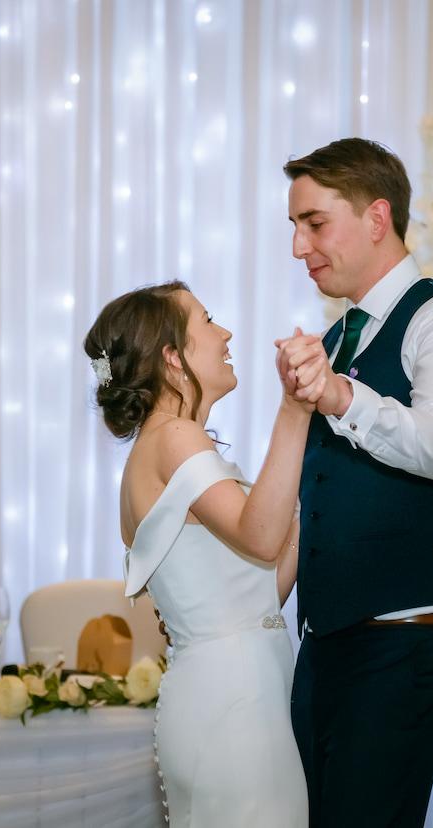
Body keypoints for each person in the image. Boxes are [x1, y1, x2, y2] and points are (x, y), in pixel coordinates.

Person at [276, 138, 433, 827]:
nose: (297, 246)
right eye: (294, 226)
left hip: (403, 647)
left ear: (377, 218)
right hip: (327, 647)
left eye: (313, 223)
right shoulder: (342, 336)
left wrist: (342, 398)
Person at [84, 281, 314, 827]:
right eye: (208, 322)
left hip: (227, 687)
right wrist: (295, 409)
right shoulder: (176, 439)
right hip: (235, 702)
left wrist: (312, 498)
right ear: (171, 357)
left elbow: (261, 592)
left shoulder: (156, 447)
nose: (226, 333)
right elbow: (259, 535)